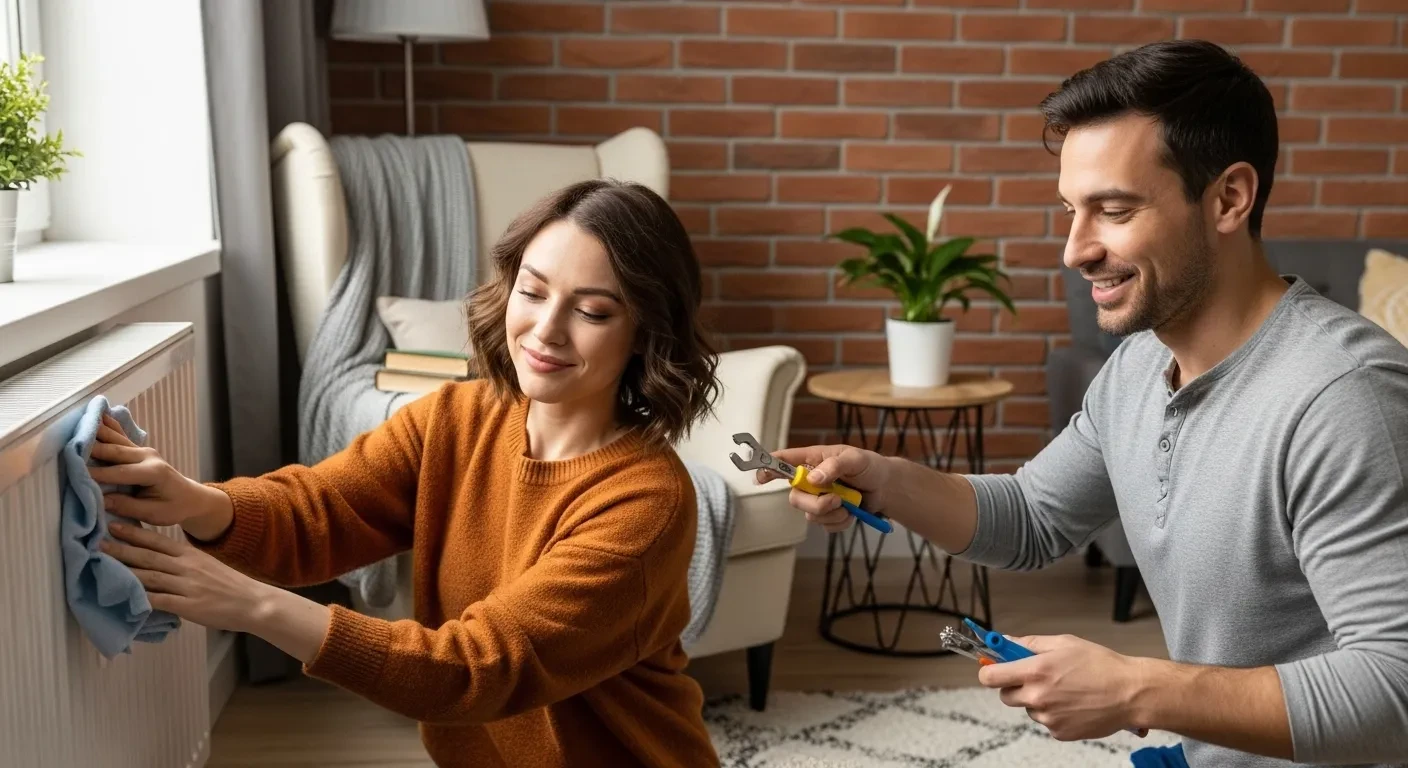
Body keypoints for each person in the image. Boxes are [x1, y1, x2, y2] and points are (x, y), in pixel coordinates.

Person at [767, 39, 1408, 768]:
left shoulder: (1343, 397)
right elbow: (1035, 518)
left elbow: (1397, 693)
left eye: (1113, 210)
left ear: (1229, 197)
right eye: (1072, 209)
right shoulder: (1138, 366)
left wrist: (1136, 690)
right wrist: (887, 480)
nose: (1075, 249)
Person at [89, 178, 724, 767]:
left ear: (645, 331)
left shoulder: (646, 503)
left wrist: (252, 605)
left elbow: (474, 669)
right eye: (532, 292)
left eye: (592, 312)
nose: (546, 330)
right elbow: (325, 510)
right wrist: (196, 501)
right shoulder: (459, 416)